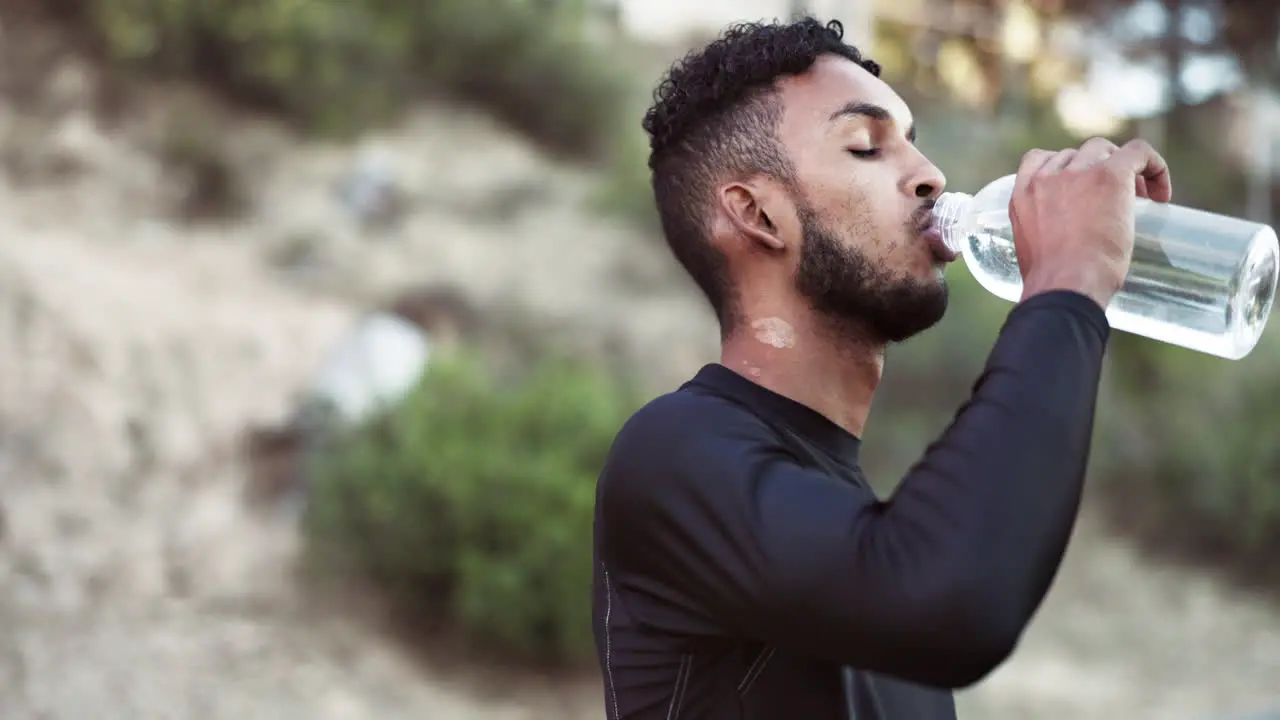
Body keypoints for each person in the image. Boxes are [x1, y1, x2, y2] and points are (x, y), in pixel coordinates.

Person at [590, 16, 1172, 720]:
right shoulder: (671, 456)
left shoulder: (860, 532)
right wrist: (1068, 283)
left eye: (916, 147)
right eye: (867, 147)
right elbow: (951, 600)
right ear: (757, 216)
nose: (930, 177)